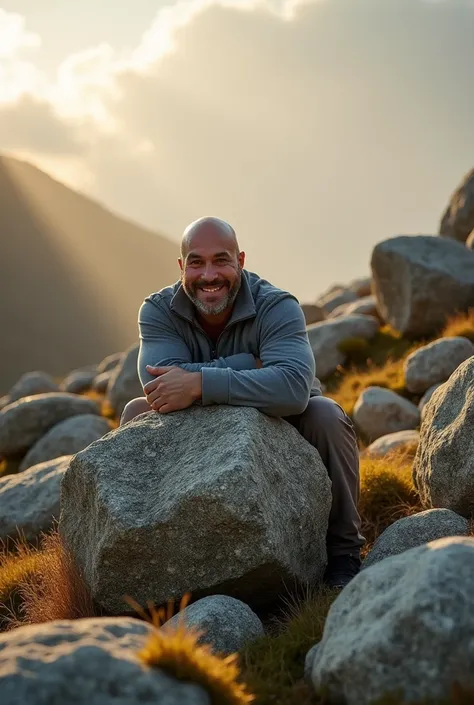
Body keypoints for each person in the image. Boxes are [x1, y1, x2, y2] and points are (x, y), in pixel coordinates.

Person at [121, 216, 365, 588]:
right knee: (136, 412)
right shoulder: (157, 310)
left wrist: (198, 382)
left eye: (222, 260)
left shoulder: (277, 306)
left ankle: (344, 553)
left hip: (281, 417)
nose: (209, 275)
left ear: (241, 261)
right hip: (198, 424)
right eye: (196, 262)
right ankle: (141, 564)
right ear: (181, 266)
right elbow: (158, 385)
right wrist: (248, 365)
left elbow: (293, 389)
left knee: (326, 414)